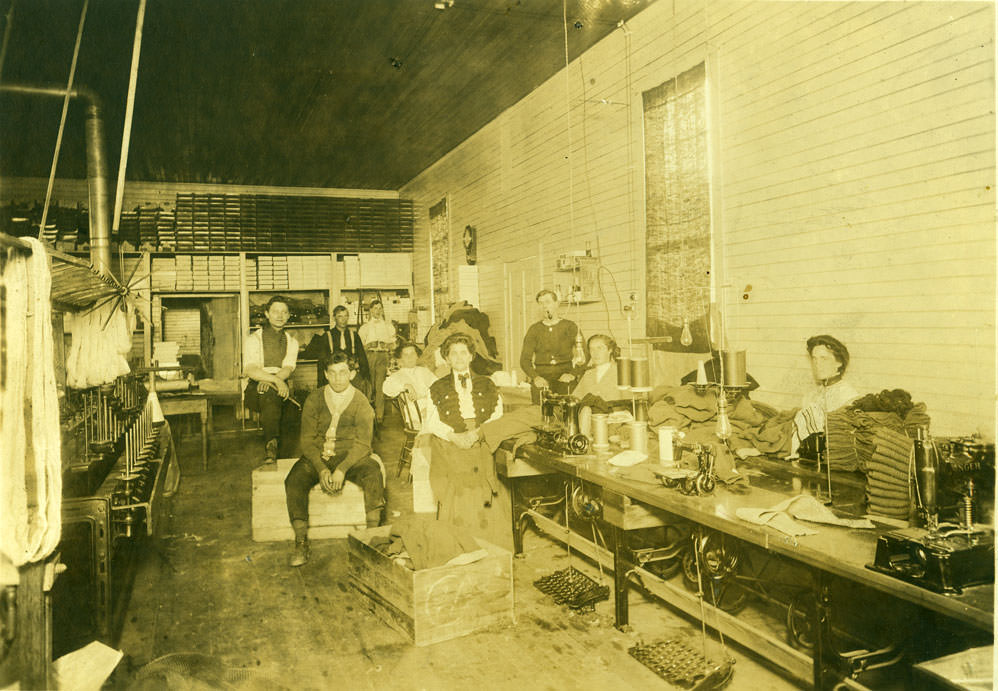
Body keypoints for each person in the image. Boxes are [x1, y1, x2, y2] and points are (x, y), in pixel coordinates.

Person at [284, 352, 385, 566]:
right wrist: (321, 468)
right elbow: (307, 440)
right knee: (294, 479)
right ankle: (301, 542)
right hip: (319, 456)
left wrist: (342, 469)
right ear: (325, 375)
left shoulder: (361, 402)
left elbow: (364, 444)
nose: (338, 379)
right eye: (332, 373)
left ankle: (374, 543)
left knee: (374, 473)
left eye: (343, 373)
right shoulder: (314, 398)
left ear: (352, 374)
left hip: (351, 455)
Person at [423, 333, 509, 548]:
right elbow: (432, 422)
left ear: (471, 356)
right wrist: (453, 436)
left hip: (481, 439)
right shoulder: (437, 387)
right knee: (458, 484)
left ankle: (488, 543)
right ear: (447, 358)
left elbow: (497, 415)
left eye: (464, 352)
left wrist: (477, 434)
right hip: (450, 443)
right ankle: (459, 543)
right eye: (454, 354)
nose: (459, 358)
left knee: (485, 484)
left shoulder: (487, 384)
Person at [243, 295, 299, 465]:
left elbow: (288, 368)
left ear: (289, 316)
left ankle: (286, 459)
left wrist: (272, 381)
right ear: (267, 314)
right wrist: (274, 381)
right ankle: (271, 446)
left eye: (284, 312)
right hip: (255, 388)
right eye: (275, 311)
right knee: (270, 398)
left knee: (292, 411)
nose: (280, 315)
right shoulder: (253, 339)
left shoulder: (292, 342)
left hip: (278, 384)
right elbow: (251, 369)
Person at [790, 334, 860, 458]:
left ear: (839, 362)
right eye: (814, 359)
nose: (817, 364)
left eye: (824, 359)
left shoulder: (849, 395)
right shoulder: (811, 395)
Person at [520, 289, 584, 403]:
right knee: (540, 408)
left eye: (548, 302)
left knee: (568, 407)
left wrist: (572, 374)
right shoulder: (534, 329)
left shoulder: (570, 326)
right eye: (541, 303)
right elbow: (524, 360)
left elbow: (585, 355)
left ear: (557, 304)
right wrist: (535, 377)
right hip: (542, 377)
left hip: (565, 376)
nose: (544, 306)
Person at [302, 304, 371, 392]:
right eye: (340, 316)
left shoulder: (354, 335)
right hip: (334, 377)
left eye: (346, 316)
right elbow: (322, 362)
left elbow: (363, 359)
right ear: (334, 318)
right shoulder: (327, 336)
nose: (343, 319)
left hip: (351, 376)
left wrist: (366, 379)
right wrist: (321, 385)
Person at [572, 334, 624, 438]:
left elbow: (631, 405)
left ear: (610, 350)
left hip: (614, 425)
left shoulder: (621, 372)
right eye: (591, 349)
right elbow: (575, 400)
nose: (595, 353)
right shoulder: (588, 374)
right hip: (588, 426)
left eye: (599, 348)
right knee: (586, 409)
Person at [358, 298, 397, 423]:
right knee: (369, 385)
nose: (378, 311)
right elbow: (359, 348)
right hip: (369, 356)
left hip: (382, 357)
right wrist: (369, 346)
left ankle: (379, 416)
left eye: (380, 308)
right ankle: (368, 414)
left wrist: (387, 345)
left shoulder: (388, 326)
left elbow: (394, 345)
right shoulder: (364, 328)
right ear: (370, 311)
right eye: (375, 308)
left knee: (380, 386)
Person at [382, 342, 437, 424]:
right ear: (401, 358)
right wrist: (406, 386)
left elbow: (438, 385)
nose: (410, 357)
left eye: (412, 354)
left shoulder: (424, 371)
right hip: (416, 416)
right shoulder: (397, 375)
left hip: (432, 408)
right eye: (406, 355)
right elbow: (386, 388)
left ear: (417, 356)